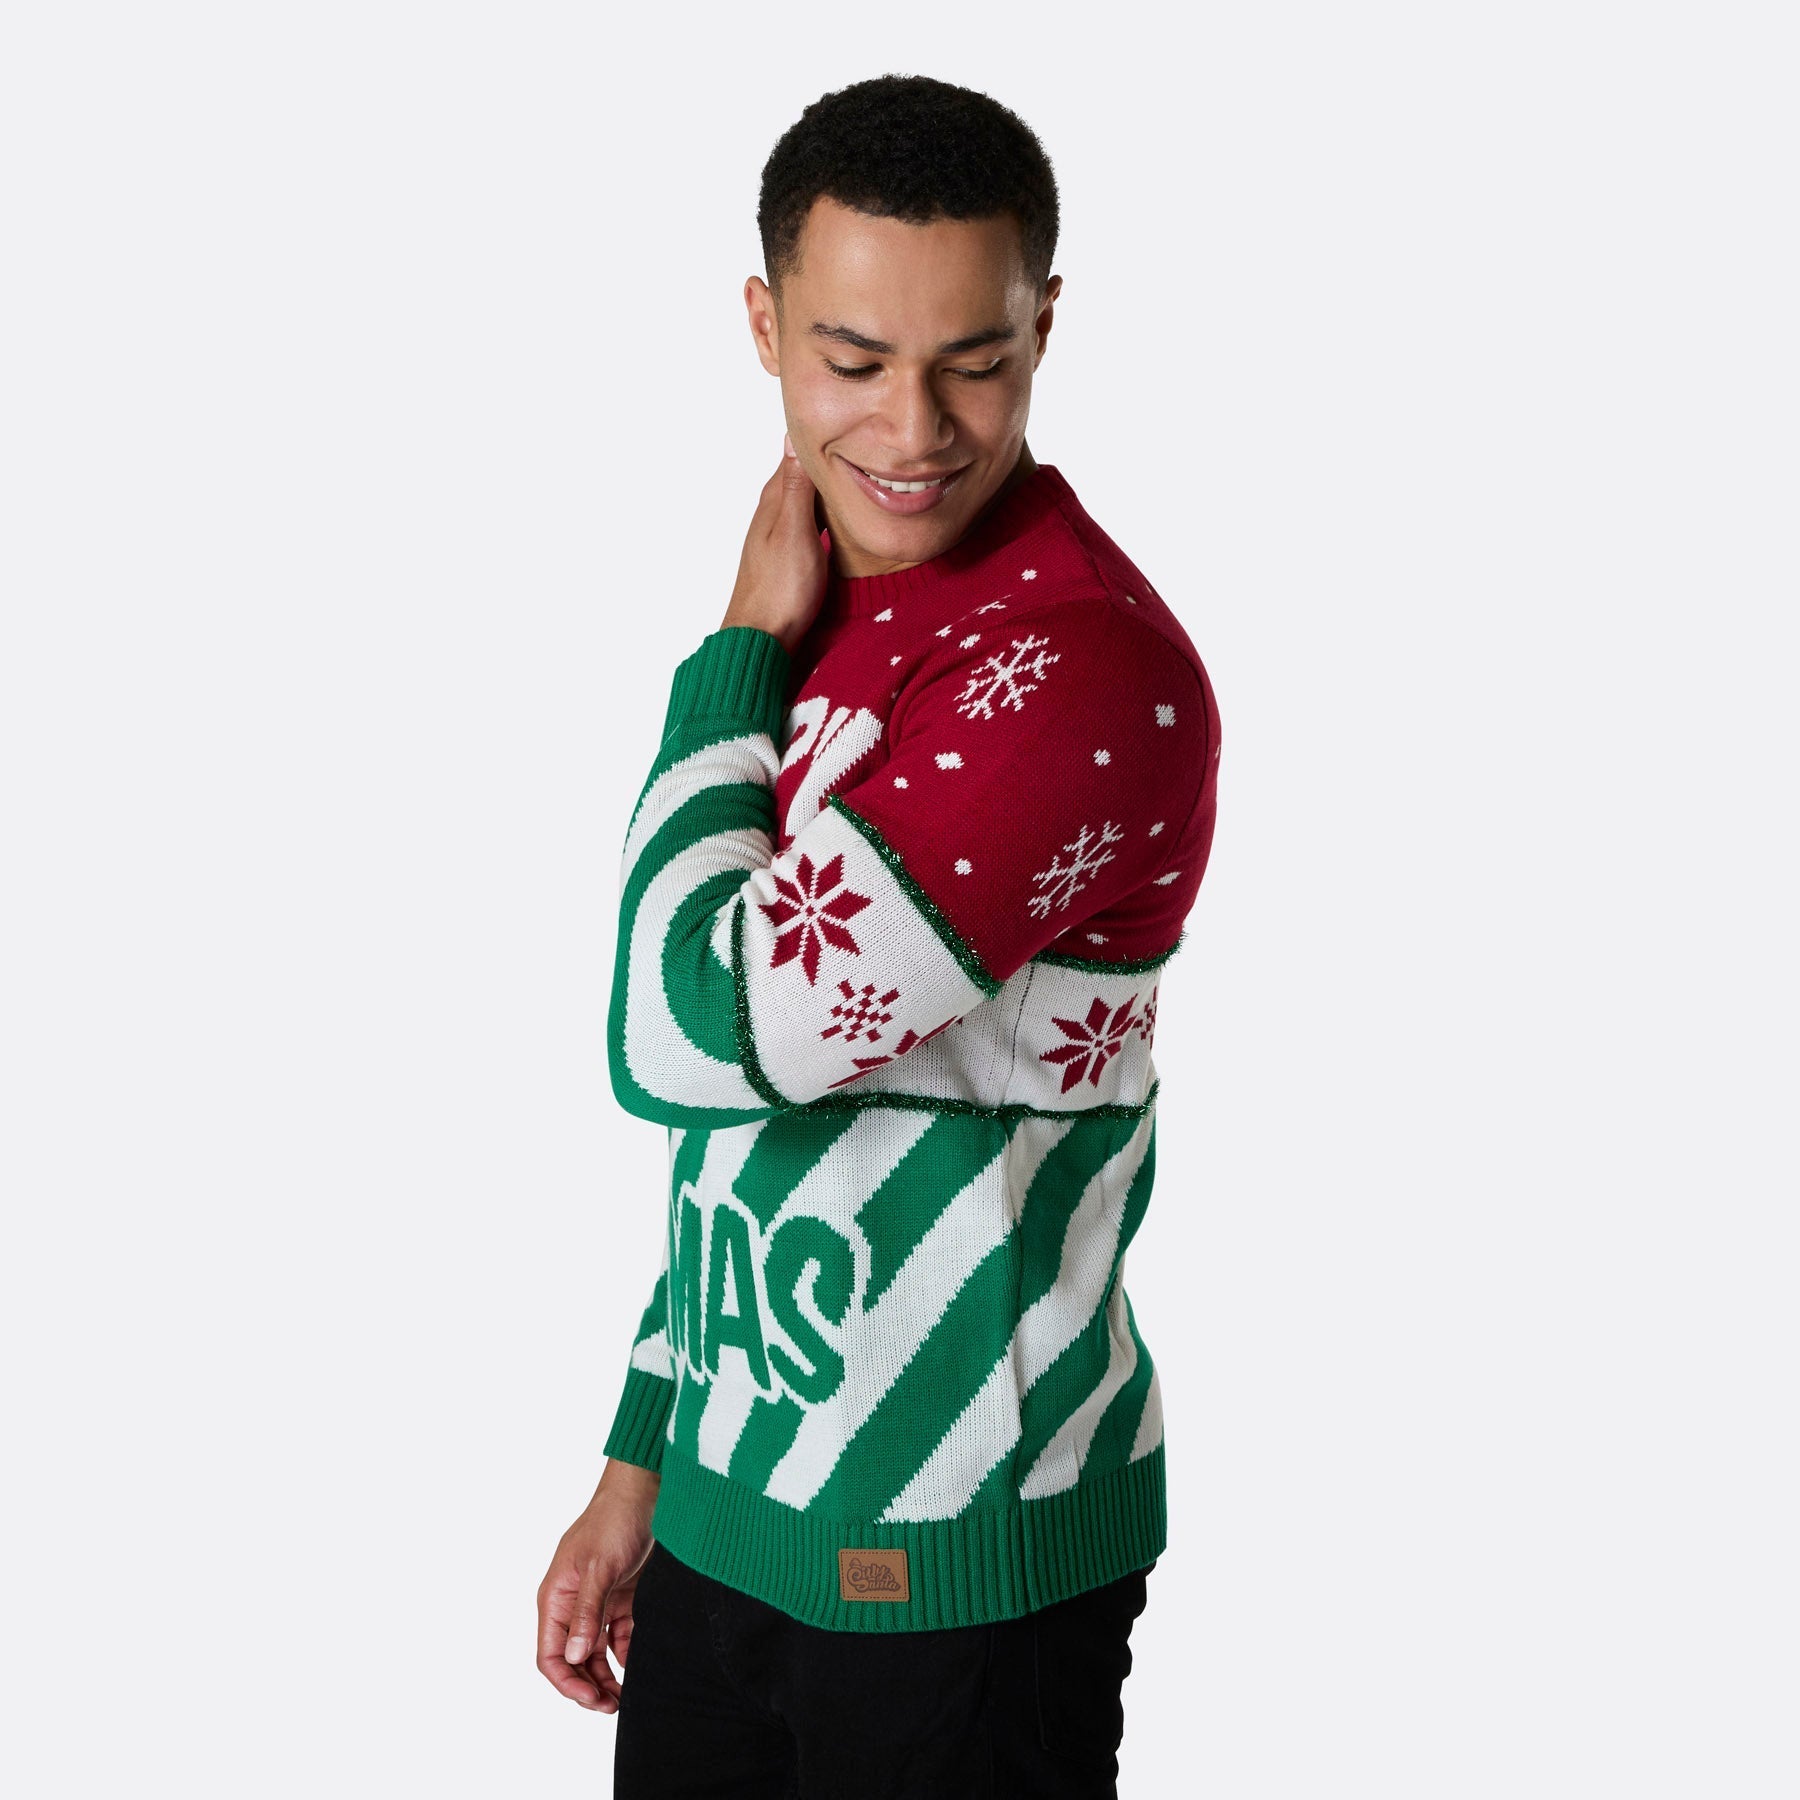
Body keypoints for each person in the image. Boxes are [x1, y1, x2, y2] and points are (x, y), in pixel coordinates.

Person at [537, 73, 1222, 1798]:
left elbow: (687, 1033)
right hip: (731, 1516)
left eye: (974, 362)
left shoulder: (1075, 672)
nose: (913, 432)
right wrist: (644, 1463)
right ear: (763, 326)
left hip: (961, 1554)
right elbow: (745, 1134)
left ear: (1044, 324)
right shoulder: (840, 605)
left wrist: (729, 666)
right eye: (852, 360)